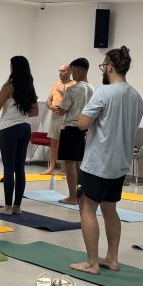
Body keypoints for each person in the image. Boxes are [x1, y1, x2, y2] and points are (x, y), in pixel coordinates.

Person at [69, 47, 143, 274]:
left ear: (110, 67)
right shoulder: (136, 96)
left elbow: (82, 123)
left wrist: (90, 127)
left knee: (87, 209)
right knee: (110, 209)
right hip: (120, 163)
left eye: (103, 66)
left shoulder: (104, 92)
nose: (103, 70)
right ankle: (112, 258)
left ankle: (92, 262)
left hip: (98, 162)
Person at [0, 56, 39, 215]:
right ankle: (17, 207)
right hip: (25, 128)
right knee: (20, 168)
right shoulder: (30, 87)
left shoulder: (8, 87)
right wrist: (20, 112)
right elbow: (35, 112)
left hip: (9, 128)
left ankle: (7, 207)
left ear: (13, 67)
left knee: (8, 167)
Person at [57, 58, 94, 205]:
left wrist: (58, 105)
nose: (71, 74)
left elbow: (62, 110)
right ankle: (80, 195)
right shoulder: (93, 88)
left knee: (70, 163)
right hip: (86, 129)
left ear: (77, 70)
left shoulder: (72, 89)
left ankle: (72, 197)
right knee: (80, 163)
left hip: (71, 128)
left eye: (72, 71)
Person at [41, 64, 74, 175]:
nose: (60, 73)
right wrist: (51, 107)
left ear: (70, 72)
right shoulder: (55, 84)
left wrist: (63, 92)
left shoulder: (74, 85)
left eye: (63, 71)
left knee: (67, 145)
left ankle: (67, 171)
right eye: (59, 71)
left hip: (67, 118)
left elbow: (74, 102)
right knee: (53, 144)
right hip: (55, 117)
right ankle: (51, 168)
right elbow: (48, 100)